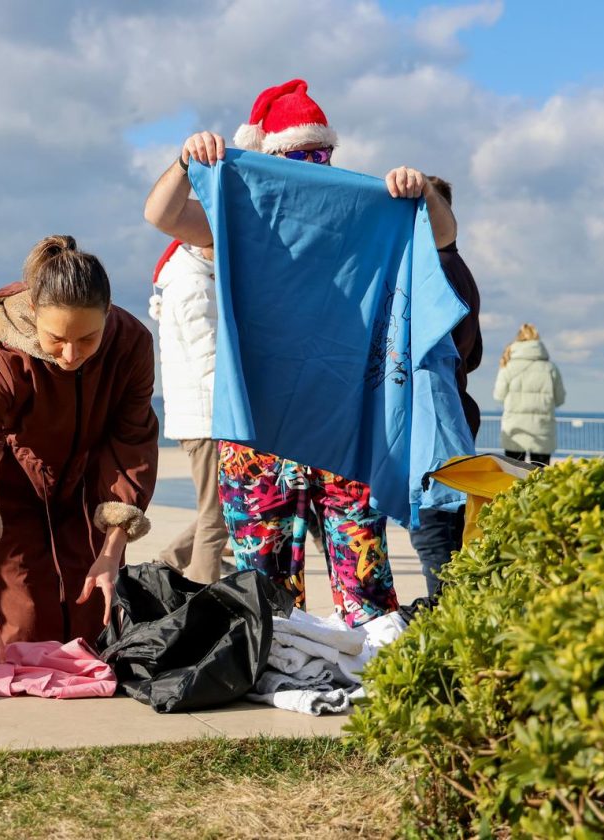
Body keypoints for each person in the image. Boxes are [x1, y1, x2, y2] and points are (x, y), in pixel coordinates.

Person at [142, 79, 457, 626]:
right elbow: (162, 215)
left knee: (366, 591)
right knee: (265, 601)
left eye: (318, 157)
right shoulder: (239, 219)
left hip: (345, 428)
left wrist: (423, 191)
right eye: (293, 158)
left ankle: (372, 672)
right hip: (260, 431)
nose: (310, 168)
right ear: (271, 159)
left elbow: (444, 239)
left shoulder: (359, 212)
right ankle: (275, 671)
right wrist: (184, 158)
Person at [0, 235, 158, 662]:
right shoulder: (3, 347)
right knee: (22, 632)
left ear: (108, 314)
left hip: (89, 481)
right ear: (34, 313)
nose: (71, 354)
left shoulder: (132, 343)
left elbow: (132, 445)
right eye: (56, 339)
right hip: (13, 482)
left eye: (88, 339)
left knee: (91, 628)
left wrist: (112, 552)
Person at [408, 176, 483, 597]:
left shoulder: (435, 271)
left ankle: (449, 638)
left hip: (436, 434)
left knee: (438, 548)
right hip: (455, 422)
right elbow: (474, 355)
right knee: (450, 547)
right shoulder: (461, 270)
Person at [148, 240, 227, 584]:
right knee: (218, 514)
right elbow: (209, 361)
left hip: (198, 417)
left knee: (220, 510)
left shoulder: (192, 279)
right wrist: (234, 415)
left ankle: (165, 565)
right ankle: (202, 591)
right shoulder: (195, 285)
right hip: (207, 417)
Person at [494, 323, 566, 465]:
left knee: (513, 477)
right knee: (540, 477)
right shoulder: (551, 368)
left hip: (515, 429)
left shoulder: (508, 366)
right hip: (542, 430)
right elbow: (560, 399)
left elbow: (498, 396)